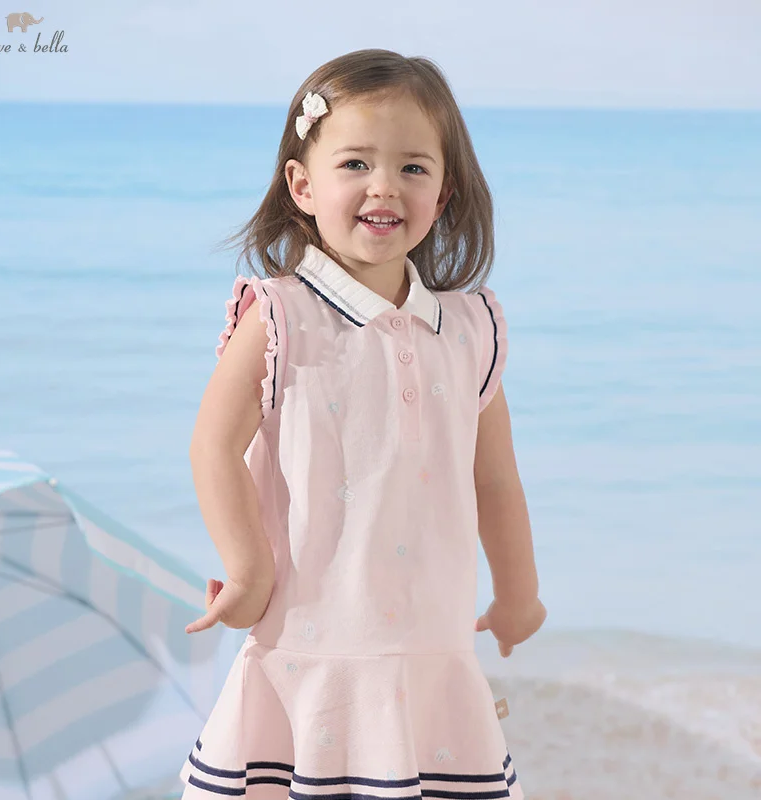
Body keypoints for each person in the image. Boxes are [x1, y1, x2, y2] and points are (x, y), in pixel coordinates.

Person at [180, 48, 547, 800]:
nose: (384, 185)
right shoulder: (280, 315)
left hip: (433, 653)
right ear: (303, 186)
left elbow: (496, 480)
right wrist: (247, 569)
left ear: (443, 193)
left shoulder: (470, 329)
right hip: (310, 646)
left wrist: (518, 594)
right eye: (355, 163)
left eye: (413, 167)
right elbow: (213, 444)